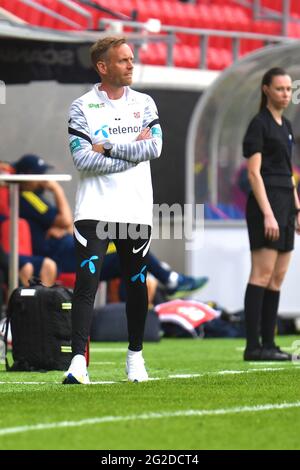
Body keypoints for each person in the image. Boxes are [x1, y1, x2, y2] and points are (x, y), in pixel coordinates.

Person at [64, 36, 164, 384]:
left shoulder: (145, 103)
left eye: (132, 59)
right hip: (94, 208)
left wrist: (106, 147)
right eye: (123, 60)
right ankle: (78, 361)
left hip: (134, 210)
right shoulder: (81, 107)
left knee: (136, 283)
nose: (131, 65)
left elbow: (154, 148)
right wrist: (126, 150)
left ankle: (135, 356)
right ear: (102, 67)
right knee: (86, 283)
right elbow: (82, 159)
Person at [242, 67, 300, 361]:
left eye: (289, 89)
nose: (286, 94)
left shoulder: (287, 125)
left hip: (286, 205)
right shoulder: (259, 125)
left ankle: (269, 344)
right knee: (261, 275)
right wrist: (267, 213)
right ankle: (253, 347)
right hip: (267, 206)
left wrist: (297, 208)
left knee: (277, 278)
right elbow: (254, 174)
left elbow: (288, 173)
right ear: (266, 89)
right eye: (280, 89)